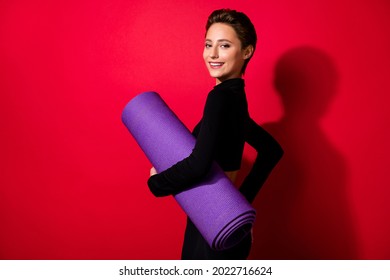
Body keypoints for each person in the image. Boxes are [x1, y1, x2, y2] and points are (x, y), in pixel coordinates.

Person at [147, 9, 283, 259]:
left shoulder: (220, 98)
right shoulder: (236, 99)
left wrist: (158, 182)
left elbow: (200, 164)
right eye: (208, 44)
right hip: (227, 224)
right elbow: (272, 151)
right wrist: (240, 202)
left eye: (225, 45)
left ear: (247, 51)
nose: (213, 54)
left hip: (210, 225)